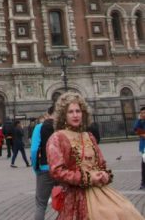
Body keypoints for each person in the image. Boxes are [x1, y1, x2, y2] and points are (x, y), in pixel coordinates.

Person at [47, 91, 144, 220]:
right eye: (70, 112)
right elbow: (57, 171)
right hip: (76, 195)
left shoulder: (89, 136)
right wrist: (87, 177)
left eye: (78, 111)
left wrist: (104, 174)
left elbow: (101, 164)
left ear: (83, 113)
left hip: (101, 191)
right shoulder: (57, 138)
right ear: (63, 115)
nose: (75, 115)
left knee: (126, 211)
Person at [30, 105, 55, 220]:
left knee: (41, 205)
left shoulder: (40, 127)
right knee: (66, 201)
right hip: (63, 170)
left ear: (48, 114)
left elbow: (34, 150)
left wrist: (36, 167)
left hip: (45, 169)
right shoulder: (64, 127)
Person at [133, 105, 145, 190]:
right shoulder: (140, 121)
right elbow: (135, 129)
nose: (143, 114)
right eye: (142, 113)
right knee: (144, 165)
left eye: (144, 112)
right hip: (144, 147)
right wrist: (139, 119)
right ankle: (143, 183)